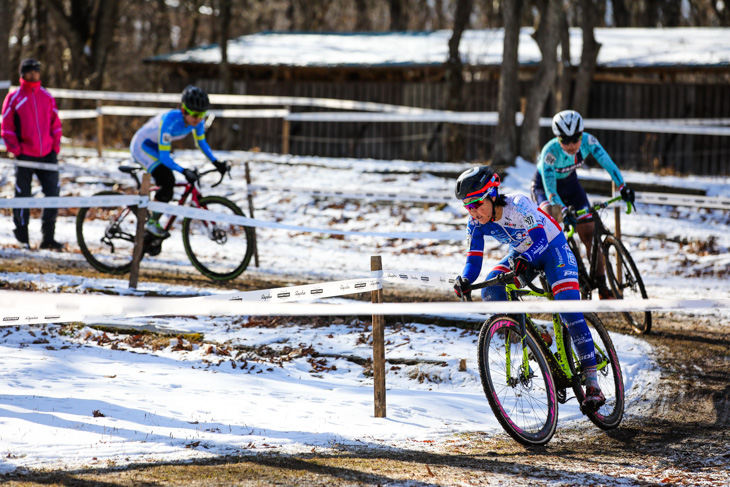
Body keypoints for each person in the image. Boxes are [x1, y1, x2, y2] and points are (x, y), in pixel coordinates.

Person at [453, 165, 605, 412]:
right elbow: (473, 259)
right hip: (522, 253)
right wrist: (465, 280)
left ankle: (592, 384)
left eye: (477, 203)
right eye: (467, 206)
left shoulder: (518, 204)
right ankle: (536, 337)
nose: (473, 211)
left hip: (552, 248)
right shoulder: (475, 223)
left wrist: (526, 258)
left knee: (567, 309)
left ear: (492, 194)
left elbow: (541, 238)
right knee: (492, 290)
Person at [531, 110, 635, 299]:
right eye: (565, 140)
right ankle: (560, 278)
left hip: (571, 185)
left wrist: (623, 186)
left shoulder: (589, 141)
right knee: (553, 225)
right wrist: (562, 209)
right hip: (544, 188)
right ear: (557, 137)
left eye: (575, 139)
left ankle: (601, 285)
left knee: (589, 232)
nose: (571, 145)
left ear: (581, 135)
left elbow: (608, 163)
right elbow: (551, 191)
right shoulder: (549, 153)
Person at [129, 85, 229, 238]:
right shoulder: (170, 121)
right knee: (167, 180)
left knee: (167, 180)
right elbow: (164, 157)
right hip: (141, 147)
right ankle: (151, 222)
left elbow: (201, 143)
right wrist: (183, 170)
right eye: (195, 115)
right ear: (184, 110)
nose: (199, 119)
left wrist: (216, 162)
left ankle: (150, 218)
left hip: (155, 147)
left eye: (202, 115)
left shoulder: (197, 121)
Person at [1, 58, 64, 250]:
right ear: (23, 73)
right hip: (25, 155)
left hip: (47, 154)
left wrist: (55, 147)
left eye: (36, 71)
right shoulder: (14, 98)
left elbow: (55, 123)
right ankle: (22, 233)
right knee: (23, 194)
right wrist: (16, 149)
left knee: (53, 192)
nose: (34, 74)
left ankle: (48, 237)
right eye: (30, 71)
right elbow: (7, 127)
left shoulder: (47, 96)